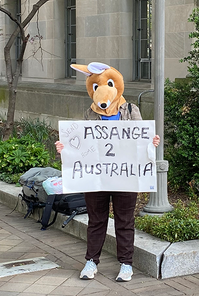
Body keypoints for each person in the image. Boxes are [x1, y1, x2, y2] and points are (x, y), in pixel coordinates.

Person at [55, 62, 160, 282]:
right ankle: (91, 261)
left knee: (124, 221)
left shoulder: (131, 110)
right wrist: (64, 149)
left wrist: (151, 143)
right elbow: (80, 146)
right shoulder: (89, 114)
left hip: (125, 176)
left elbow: (142, 142)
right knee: (96, 220)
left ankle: (126, 264)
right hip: (97, 178)